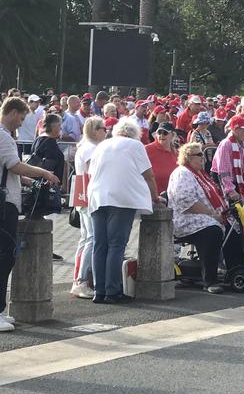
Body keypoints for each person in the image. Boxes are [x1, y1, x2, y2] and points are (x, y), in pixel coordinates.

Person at [0, 97, 60, 332]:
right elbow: (14, 165)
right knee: (5, 256)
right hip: (5, 203)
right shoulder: (4, 136)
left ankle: (2, 310)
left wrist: (23, 178)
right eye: (21, 118)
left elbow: (9, 169)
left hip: (5, 197)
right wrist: (43, 173)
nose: (21, 123)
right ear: (13, 112)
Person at [87, 117, 161, 304]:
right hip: (121, 198)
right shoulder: (135, 146)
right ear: (134, 133)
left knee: (99, 245)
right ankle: (113, 291)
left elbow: (91, 172)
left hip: (98, 197)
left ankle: (99, 290)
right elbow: (149, 175)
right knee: (116, 245)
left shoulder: (102, 145)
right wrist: (154, 196)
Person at [167, 143, 241, 293]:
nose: (203, 157)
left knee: (234, 226)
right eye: (199, 155)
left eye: (202, 154)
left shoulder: (201, 174)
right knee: (212, 231)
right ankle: (210, 280)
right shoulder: (183, 173)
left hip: (203, 216)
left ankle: (235, 270)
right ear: (188, 158)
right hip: (186, 218)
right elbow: (186, 202)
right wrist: (212, 215)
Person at [70, 115, 108, 298]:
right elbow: (95, 173)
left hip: (81, 194)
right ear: (95, 130)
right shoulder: (92, 149)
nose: (106, 131)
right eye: (103, 128)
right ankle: (82, 280)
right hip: (89, 195)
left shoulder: (84, 147)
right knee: (91, 238)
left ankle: (79, 278)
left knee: (86, 238)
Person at [211, 115, 244, 203]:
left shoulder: (241, 143)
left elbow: (243, 168)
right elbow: (223, 170)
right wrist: (230, 189)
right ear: (235, 130)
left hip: (234, 181)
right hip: (223, 182)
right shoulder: (226, 144)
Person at [29, 113, 66, 185]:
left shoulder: (39, 139)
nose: (60, 128)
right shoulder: (50, 143)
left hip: (38, 181)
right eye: (59, 125)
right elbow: (49, 166)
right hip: (47, 184)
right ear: (52, 126)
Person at [145, 123, 179, 195]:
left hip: (173, 196)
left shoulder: (176, 153)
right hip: (154, 198)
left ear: (172, 135)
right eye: (159, 132)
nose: (161, 135)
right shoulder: (147, 149)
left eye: (165, 133)